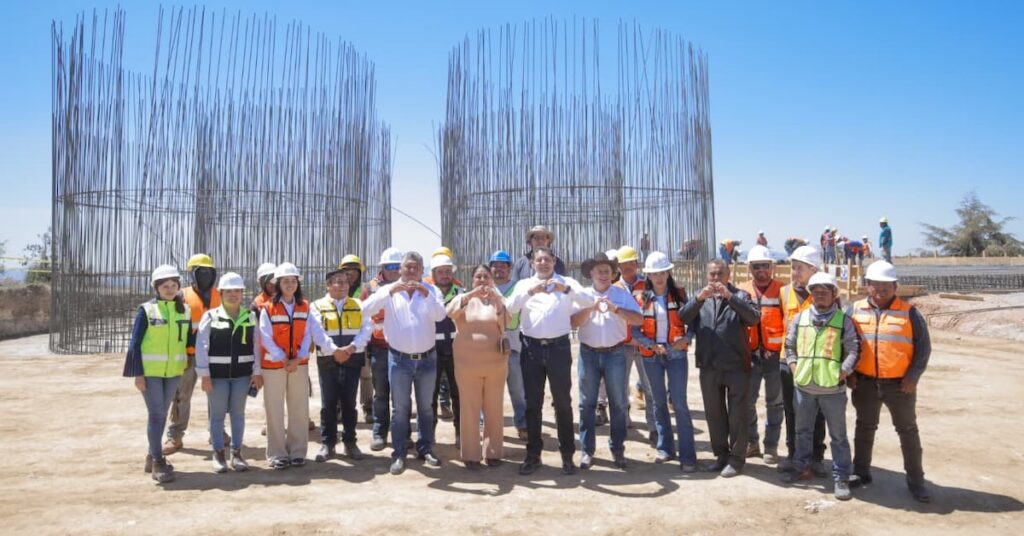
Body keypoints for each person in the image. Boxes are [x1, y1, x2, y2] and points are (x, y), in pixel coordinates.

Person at [847, 261, 932, 502]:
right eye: (876, 284)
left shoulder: (910, 312)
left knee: (907, 431)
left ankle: (916, 482)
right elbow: (845, 344)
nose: (881, 289)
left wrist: (914, 376)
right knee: (864, 428)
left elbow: (923, 348)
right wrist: (850, 373)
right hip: (864, 383)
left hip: (900, 385)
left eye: (886, 285)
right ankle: (861, 473)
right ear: (868, 285)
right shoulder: (853, 310)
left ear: (895, 286)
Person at [506, 246, 595, 475]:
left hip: (558, 348)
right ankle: (533, 455)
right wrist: (530, 292)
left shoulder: (567, 282)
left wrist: (564, 290)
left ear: (554, 261)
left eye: (547, 259)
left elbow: (588, 300)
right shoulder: (524, 285)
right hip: (531, 349)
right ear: (533, 263)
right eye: (539, 260)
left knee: (563, 403)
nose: (543, 263)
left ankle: (567, 456)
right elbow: (510, 307)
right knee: (532, 404)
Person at [361, 251, 449, 475]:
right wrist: (388, 292)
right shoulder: (388, 291)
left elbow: (440, 315)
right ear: (400, 270)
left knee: (426, 409)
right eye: (407, 267)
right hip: (399, 360)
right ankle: (399, 453)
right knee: (400, 409)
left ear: (422, 271)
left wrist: (425, 294)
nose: (411, 271)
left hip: (427, 359)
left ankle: (425, 448)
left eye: (416, 267)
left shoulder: (431, 290)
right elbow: (365, 309)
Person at [780, 272, 859, 501]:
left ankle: (841, 476)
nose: (820, 295)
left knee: (838, 436)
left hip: (832, 390)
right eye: (816, 292)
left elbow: (854, 349)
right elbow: (790, 345)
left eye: (825, 292)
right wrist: (794, 368)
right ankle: (801, 467)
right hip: (804, 387)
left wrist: (842, 372)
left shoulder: (843, 320)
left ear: (834, 294)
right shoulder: (801, 318)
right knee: (802, 431)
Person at [679, 258, 760, 477]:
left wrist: (730, 297)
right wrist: (697, 300)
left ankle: (737, 459)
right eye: (712, 274)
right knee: (714, 414)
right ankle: (721, 455)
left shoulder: (741, 296)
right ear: (707, 275)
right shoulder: (701, 297)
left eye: (720, 274)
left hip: (736, 366)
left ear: (728, 275)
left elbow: (753, 319)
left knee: (737, 414)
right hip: (709, 365)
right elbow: (683, 317)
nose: (716, 278)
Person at [571, 252, 643, 470]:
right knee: (586, 403)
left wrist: (617, 310)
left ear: (613, 274)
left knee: (619, 403)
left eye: (607, 271)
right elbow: (572, 322)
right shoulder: (582, 295)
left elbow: (639, 319)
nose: (603, 274)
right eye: (599, 271)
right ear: (590, 273)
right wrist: (590, 308)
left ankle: (618, 448)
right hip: (588, 353)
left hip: (616, 353)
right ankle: (587, 450)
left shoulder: (621, 294)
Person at [630, 252, 699, 472]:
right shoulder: (641, 298)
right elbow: (634, 329)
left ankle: (688, 456)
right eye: (654, 273)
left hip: (677, 355)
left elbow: (694, 322)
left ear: (668, 272)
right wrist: (650, 344)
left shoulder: (679, 295)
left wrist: (686, 339)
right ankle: (665, 448)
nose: (659, 277)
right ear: (648, 275)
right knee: (658, 402)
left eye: (662, 272)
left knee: (679, 403)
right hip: (652, 356)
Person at [123, 264, 191, 484]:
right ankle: (158, 461)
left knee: (160, 414)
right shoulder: (147, 310)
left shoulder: (185, 310)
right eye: (165, 286)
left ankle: (152, 455)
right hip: (150, 372)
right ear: (156, 287)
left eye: (173, 285)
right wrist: (137, 374)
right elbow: (135, 343)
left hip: (173, 372)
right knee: (157, 414)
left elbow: (188, 341)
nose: (170, 289)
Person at [195, 272, 262, 473]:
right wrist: (204, 374)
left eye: (237, 291)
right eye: (229, 291)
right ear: (221, 293)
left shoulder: (250, 317)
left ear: (242, 293)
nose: (233, 295)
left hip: (242, 376)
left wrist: (257, 371)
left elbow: (257, 346)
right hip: (217, 377)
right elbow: (201, 346)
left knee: (238, 415)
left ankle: (237, 454)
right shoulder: (210, 316)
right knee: (216, 416)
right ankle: (218, 454)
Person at [447, 264, 510, 468]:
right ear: (472, 280)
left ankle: (493, 452)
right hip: (467, 365)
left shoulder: (498, 300)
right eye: (478, 277)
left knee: (494, 407)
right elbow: (449, 312)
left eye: (486, 277)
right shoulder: (463, 298)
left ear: (492, 280)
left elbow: (506, 322)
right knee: (469, 408)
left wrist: (497, 301)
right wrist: (470, 295)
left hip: (496, 364)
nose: (482, 280)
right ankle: (471, 455)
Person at [311, 262, 373, 463]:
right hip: (328, 360)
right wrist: (334, 350)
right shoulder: (317, 306)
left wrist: (352, 348)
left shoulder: (359, 305)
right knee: (328, 404)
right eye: (338, 282)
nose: (343, 285)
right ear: (328, 285)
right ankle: (328, 443)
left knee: (349, 402)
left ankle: (350, 442)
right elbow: (317, 332)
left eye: (345, 282)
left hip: (352, 358)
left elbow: (367, 330)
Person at [164, 254, 222, 455]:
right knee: (181, 396)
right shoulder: (181, 296)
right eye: (201, 272)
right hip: (188, 356)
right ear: (192, 274)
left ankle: (217, 432)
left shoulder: (219, 295)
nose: (206, 276)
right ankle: (175, 435)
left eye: (209, 272)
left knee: (216, 395)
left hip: (213, 354)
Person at [258, 262, 314, 469]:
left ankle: (298, 451)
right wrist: (283, 358)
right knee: (274, 410)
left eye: (293, 281)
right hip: (274, 366)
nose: (290, 284)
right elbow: (265, 337)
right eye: (285, 281)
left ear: (297, 283)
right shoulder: (268, 308)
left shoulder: (305, 306)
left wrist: (298, 358)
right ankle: (276, 453)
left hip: (299, 364)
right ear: (277, 284)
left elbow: (308, 334)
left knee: (299, 408)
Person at [780, 246, 829, 475]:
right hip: (787, 361)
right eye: (793, 267)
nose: (794, 273)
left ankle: (816, 456)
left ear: (813, 269)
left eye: (799, 268)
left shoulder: (825, 294)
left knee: (817, 411)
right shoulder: (784, 293)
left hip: (815, 363)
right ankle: (793, 454)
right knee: (791, 410)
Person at [737, 246, 785, 465]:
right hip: (750, 355)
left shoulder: (782, 291)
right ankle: (752, 442)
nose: (761, 271)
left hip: (775, 356)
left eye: (765, 266)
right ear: (750, 268)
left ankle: (771, 446)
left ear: (771, 267)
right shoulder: (742, 290)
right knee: (747, 401)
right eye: (756, 267)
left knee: (775, 403)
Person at [614, 245, 658, 446]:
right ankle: (623, 422)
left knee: (650, 386)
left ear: (636, 264)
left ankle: (653, 426)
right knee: (620, 386)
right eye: (623, 264)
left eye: (631, 263)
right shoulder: (614, 287)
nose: (627, 267)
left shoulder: (647, 285)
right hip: (622, 343)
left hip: (644, 342)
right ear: (618, 266)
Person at [362, 247, 404, 451]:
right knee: (381, 393)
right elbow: (362, 316)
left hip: (402, 348)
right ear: (382, 268)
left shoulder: (408, 286)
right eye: (390, 267)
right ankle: (379, 433)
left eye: (398, 266)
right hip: (379, 348)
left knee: (401, 395)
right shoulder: (370, 287)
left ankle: (402, 434)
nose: (394, 271)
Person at [489, 250, 528, 439]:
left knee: (518, 389)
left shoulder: (518, 288)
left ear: (510, 268)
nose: (499, 269)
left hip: (513, 347)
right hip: (489, 349)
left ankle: (522, 423)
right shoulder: (485, 289)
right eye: (495, 266)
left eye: (503, 266)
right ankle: (486, 424)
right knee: (488, 391)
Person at [427, 254, 464, 442]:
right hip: (432, 350)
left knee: (459, 393)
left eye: (448, 272)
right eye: (440, 272)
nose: (445, 275)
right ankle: (429, 435)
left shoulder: (461, 293)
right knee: (430, 394)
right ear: (433, 274)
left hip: (456, 349)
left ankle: (461, 433)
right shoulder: (427, 293)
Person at [338, 253, 374, 425]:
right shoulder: (336, 289)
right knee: (340, 375)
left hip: (362, 339)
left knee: (366, 375)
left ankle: (368, 408)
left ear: (360, 272)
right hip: (341, 339)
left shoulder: (366, 290)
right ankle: (339, 408)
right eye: (346, 270)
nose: (350, 274)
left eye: (354, 270)